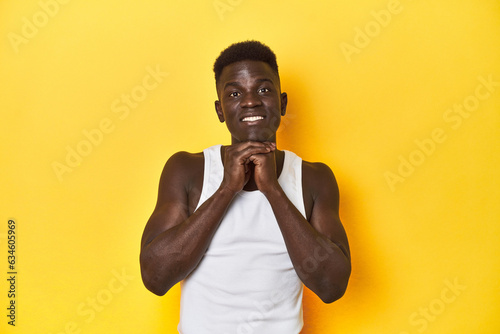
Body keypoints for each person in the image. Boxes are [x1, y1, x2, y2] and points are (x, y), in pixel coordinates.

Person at [139, 40, 351, 333]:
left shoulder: (314, 178)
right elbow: (155, 277)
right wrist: (227, 189)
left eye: (263, 90)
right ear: (220, 110)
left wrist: (273, 191)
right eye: (235, 93)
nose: (250, 101)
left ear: (283, 102)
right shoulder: (188, 170)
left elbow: (332, 286)